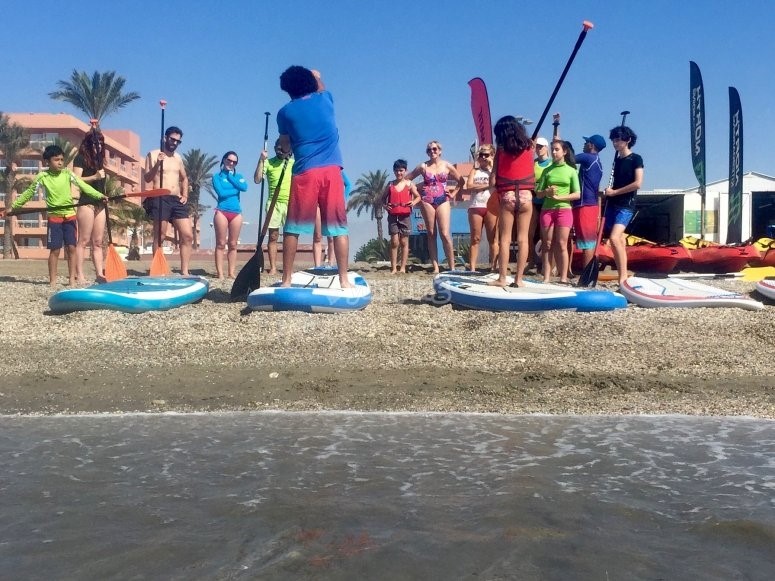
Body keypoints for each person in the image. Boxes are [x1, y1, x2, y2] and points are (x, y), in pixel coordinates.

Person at [276, 65, 351, 288]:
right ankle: (344, 280)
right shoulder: (326, 99)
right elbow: (320, 83)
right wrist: (316, 75)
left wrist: (284, 148)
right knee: (339, 228)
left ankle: (286, 280)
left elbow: (285, 144)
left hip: (305, 172)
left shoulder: (285, 112)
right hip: (332, 171)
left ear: (288, 90)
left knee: (293, 227)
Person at [7, 145, 106, 286]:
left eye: (62, 159)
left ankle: (72, 279)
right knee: (55, 250)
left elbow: (84, 187)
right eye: (56, 160)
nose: (60, 162)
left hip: (70, 217)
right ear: (47, 161)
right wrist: (14, 206)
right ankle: (52, 280)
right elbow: (29, 193)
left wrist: (99, 195)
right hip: (54, 218)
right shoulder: (43, 177)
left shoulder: (68, 174)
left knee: (71, 248)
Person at [488, 116, 535, 287]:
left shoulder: (500, 151)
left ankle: (502, 278)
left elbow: (492, 181)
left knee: (505, 239)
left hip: (507, 196)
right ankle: (519, 279)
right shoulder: (531, 146)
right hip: (526, 196)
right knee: (523, 238)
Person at [405, 140, 465, 273]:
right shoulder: (423, 166)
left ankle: (452, 266)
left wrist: (454, 193)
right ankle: (436, 267)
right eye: (429, 150)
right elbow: (408, 179)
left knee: (444, 233)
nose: (432, 152)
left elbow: (461, 180)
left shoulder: (447, 165)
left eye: (434, 149)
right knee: (431, 233)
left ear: (440, 151)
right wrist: (416, 192)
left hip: (443, 199)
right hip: (427, 200)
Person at [143, 126, 193, 275]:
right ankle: (157, 269)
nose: (175, 143)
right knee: (161, 235)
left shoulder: (178, 158)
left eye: (178, 141)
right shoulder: (152, 154)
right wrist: (158, 163)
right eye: (172, 139)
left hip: (176, 199)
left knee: (188, 235)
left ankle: (185, 271)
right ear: (165, 138)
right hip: (159, 197)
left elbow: (184, 178)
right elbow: (147, 178)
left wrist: (185, 195)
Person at [535, 139, 580, 284]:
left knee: (561, 243)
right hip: (547, 210)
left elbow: (577, 194)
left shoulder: (572, 171)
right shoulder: (547, 170)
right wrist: (546, 191)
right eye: (552, 149)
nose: (554, 152)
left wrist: (560, 197)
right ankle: (546, 277)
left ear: (564, 152)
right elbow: (538, 193)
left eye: (557, 149)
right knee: (547, 244)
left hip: (564, 210)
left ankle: (563, 277)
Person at [603, 125, 643, 285]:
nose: (615, 142)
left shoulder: (636, 158)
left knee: (614, 238)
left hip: (627, 204)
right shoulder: (616, 161)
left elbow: (638, 183)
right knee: (618, 240)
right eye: (613, 139)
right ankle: (624, 275)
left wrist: (615, 192)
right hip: (613, 203)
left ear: (628, 140)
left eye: (618, 139)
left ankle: (622, 278)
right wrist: (609, 191)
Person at [72, 126, 107, 284]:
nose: (97, 146)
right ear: (88, 144)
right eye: (94, 143)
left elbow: (102, 182)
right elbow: (76, 179)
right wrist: (94, 176)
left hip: (100, 203)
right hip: (86, 202)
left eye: (100, 143)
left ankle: (100, 274)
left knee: (98, 241)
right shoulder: (80, 158)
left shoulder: (100, 161)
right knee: (84, 240)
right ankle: (79, 274)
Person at [254, 140, 294, 275]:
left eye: (282, 148)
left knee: (291, 236)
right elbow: (257, 179)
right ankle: (273, 267)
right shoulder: (268, 163)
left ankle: (288, 267)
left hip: (291, 203)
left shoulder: (294, 163)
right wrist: (261, 160)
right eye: (277, 148)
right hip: (273, 204)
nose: (280, 151)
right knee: (273, 236)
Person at [212, 151, 248, 279]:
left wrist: (232, 178)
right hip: (222, 211)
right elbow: (221, 193)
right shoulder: (216, 177)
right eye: (229, 160)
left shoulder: (238, 176)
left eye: (234, 162)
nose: (231, 163)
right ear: (224, 160)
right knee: (221, 243)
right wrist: (236, 188)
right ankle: (220, 273)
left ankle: (231, 272)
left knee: (233, 244)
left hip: (236, 213)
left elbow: (244, 187)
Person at [572, 134, 606, 271]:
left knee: (588, 243)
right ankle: (587, 273)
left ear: (591, 145)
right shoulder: (598, 162)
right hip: (587, 204)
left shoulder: (588, 157)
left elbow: (569, 158)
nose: (584, 145)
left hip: (585, 204)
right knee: (585, 242)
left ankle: (587, 274)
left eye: (586, 143)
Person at [383, 159, 420, 274]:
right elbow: (381, 199)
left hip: (405, 216)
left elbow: (418, 196)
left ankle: (403, 267)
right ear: (394, 171)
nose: (399, 173)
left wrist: (413, 203)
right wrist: (385, 206)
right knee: (394, 241)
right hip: (393, 216)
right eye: (397, 171)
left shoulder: (410, 184)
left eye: (401, 170)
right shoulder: (390, 185)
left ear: (405, 171)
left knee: (404, 241)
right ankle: (394, 267)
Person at [464, 144, 497, 272]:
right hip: (476, 206)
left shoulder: (494, 170)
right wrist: (486, 185)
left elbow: (496, 182)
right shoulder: (474, 170)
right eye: (481, 155)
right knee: (475, 238)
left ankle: (493, 266)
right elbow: (469, 186)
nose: (483, 157)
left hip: (491, 206)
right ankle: (472, 267)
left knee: (493, 238)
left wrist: (492, 164)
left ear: (492, 155)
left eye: (486, 155)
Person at [317, 170, 351, 267]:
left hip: (337, 205)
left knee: (337, 234)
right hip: (325, 205)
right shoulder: (321, 170)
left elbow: (348, 185)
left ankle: (333, 262)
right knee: (328, 235)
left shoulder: (339, 171)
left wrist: (343, 199)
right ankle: (328, 263)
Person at [530, 136, 551, 272]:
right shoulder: (533, 163)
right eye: (536, 147)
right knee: (529, 234)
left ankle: (546, 264)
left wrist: (556, 125)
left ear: (546, 147)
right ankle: (532, 261)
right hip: (533, 201)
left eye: (541, 146)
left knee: (546, 236)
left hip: (547, 202)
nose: (538, 149)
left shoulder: (551, 163)